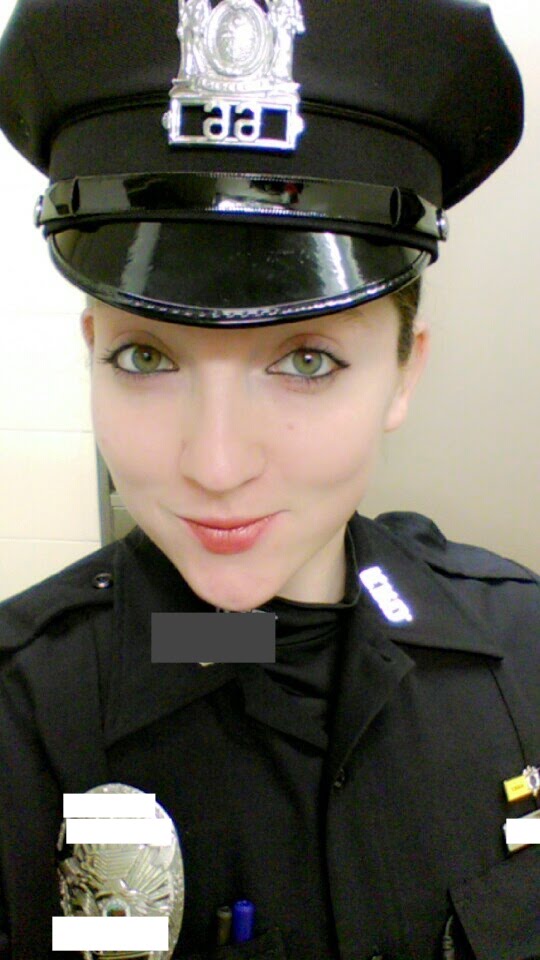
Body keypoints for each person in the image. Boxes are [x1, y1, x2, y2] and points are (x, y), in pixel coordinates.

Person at [0, 1, 538, 959]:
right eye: (145, 358)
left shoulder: (526, 654)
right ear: (91, 351)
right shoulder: (19, 716)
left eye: (307, 361)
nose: (215, 466)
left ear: (404, 373)